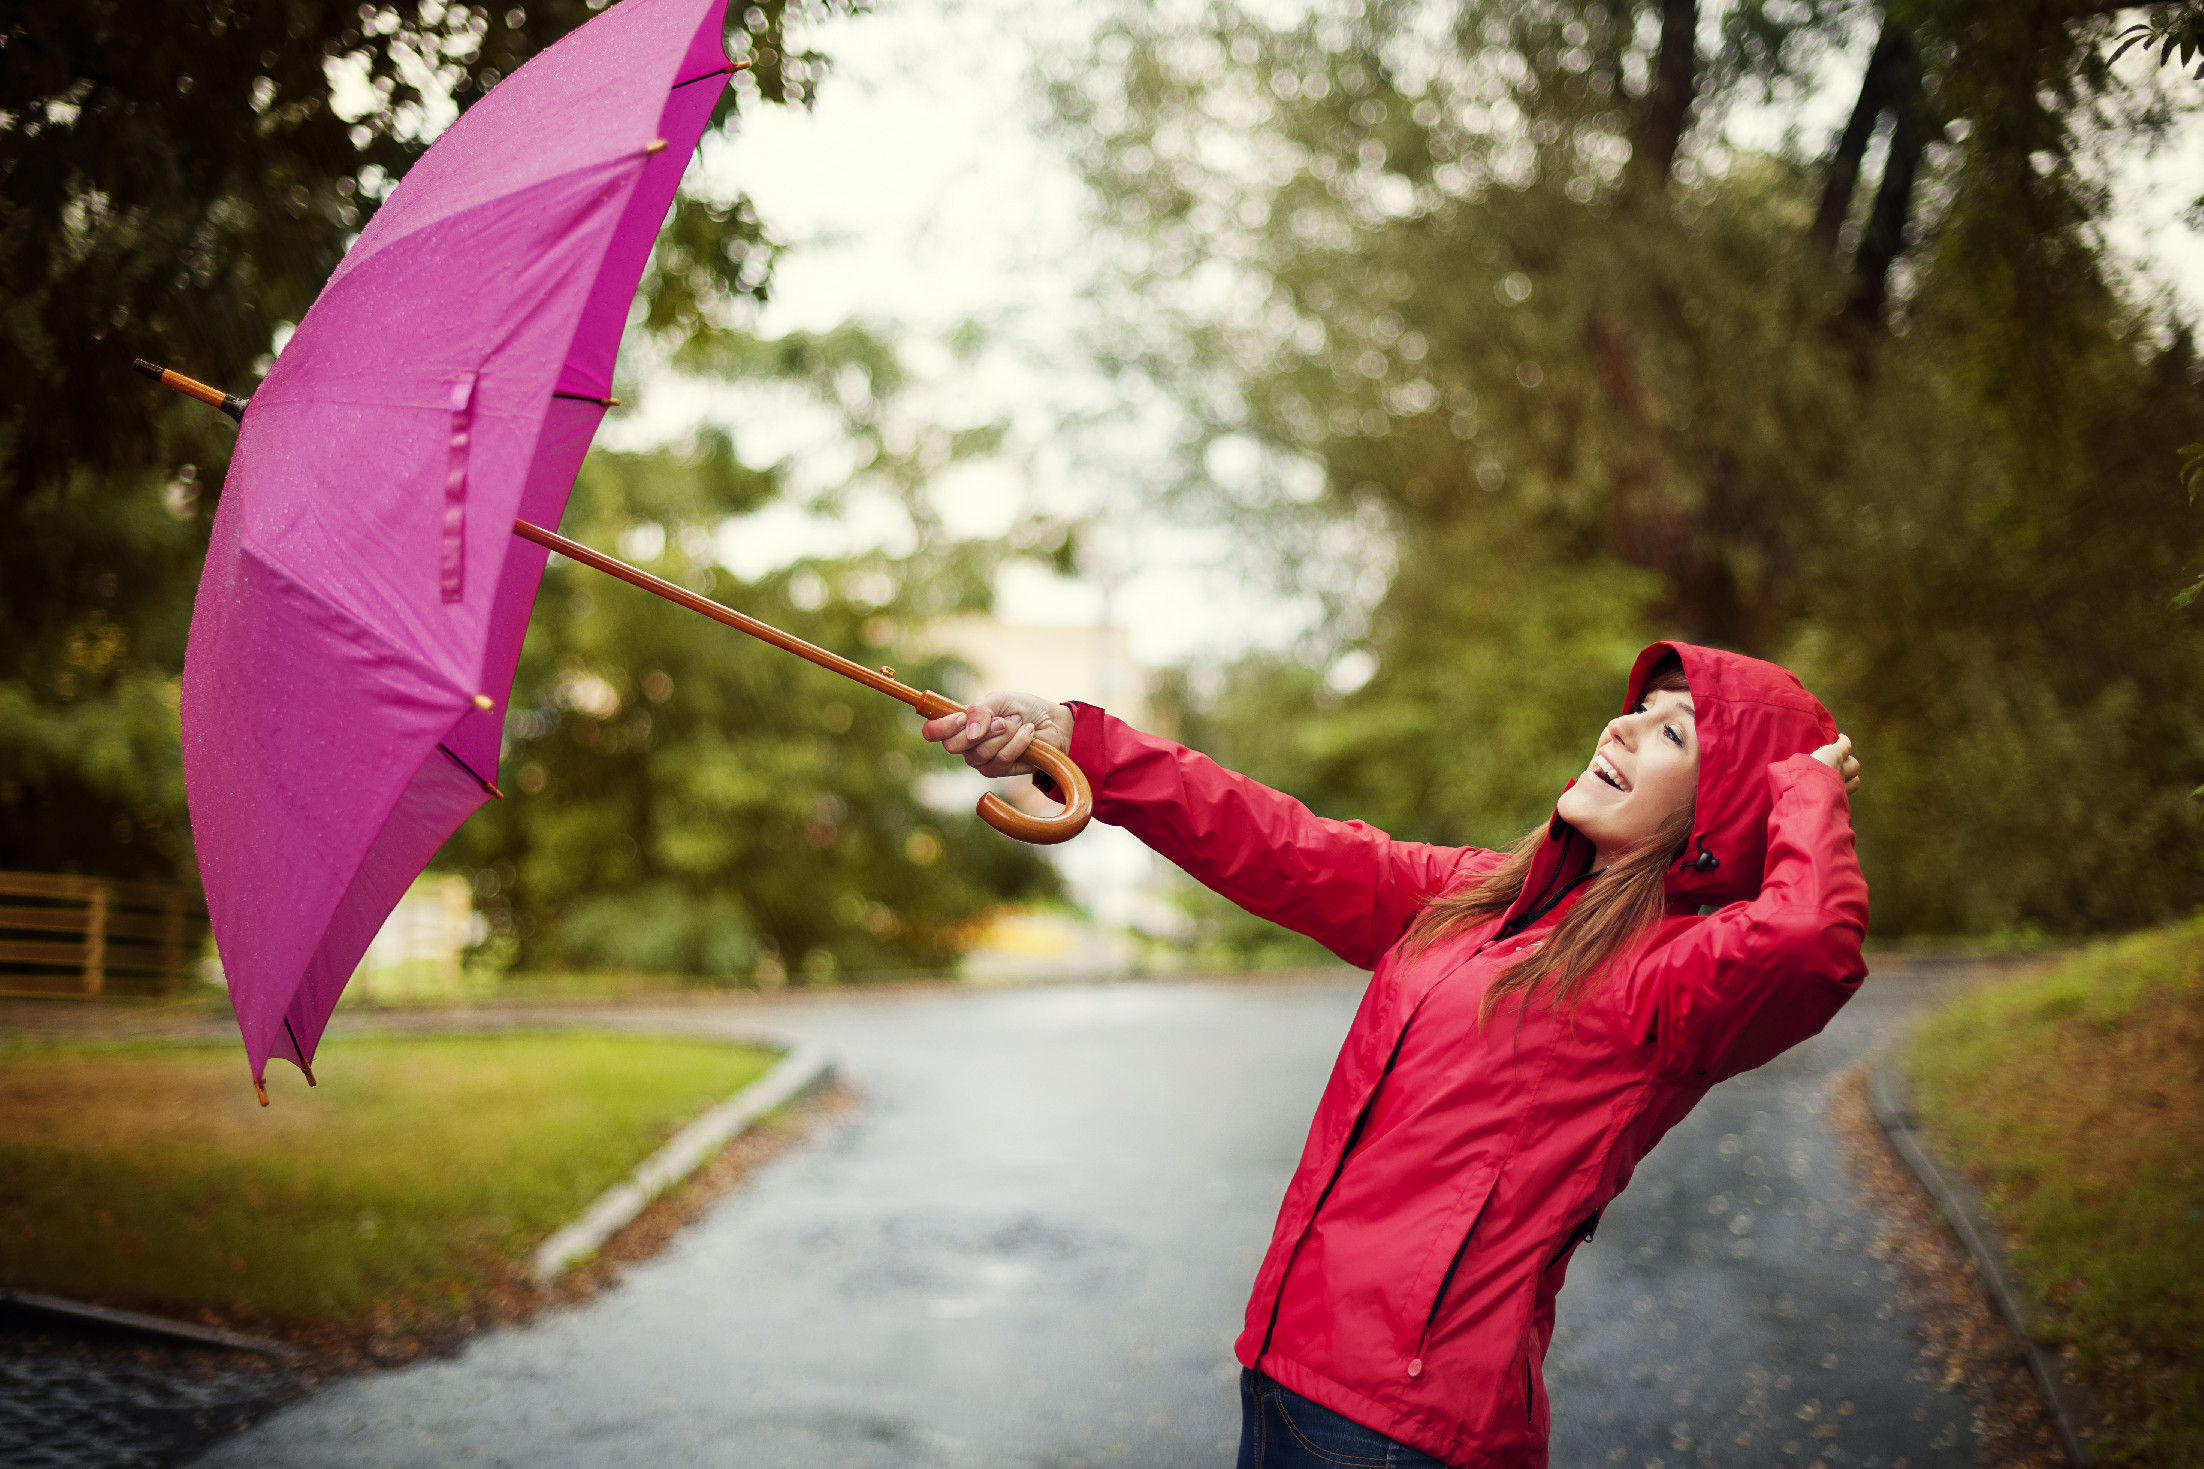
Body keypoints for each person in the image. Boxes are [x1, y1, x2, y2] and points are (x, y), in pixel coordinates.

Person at [922, 641, 1865, 1468]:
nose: (1622, 728)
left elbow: (1810, 943)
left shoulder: (1672, 976)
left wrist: (1805, 787)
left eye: (1674, 732)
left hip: (1409, 1428)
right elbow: (1280, 841)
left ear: (1725, 809)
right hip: (1289, 1370)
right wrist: (1084, 743)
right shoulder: (1476, 899)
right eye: (1637, 708)